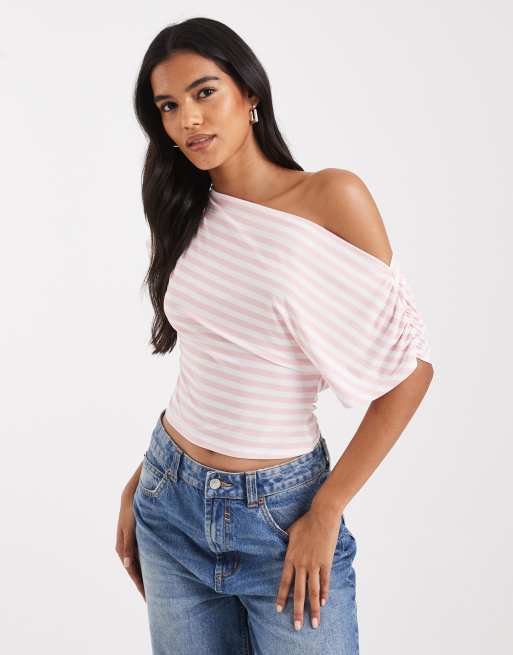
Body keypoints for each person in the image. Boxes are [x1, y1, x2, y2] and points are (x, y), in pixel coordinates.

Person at [115, 16, 435, 655]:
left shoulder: (331, 196)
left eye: (205, 93)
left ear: (250, 93)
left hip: (282, 516)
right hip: (168, 499)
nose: (188, 119)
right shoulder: (181, 212)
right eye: (168, 106)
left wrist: (326, 508)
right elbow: (216, 361)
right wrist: (144, 478)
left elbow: (411, 372)